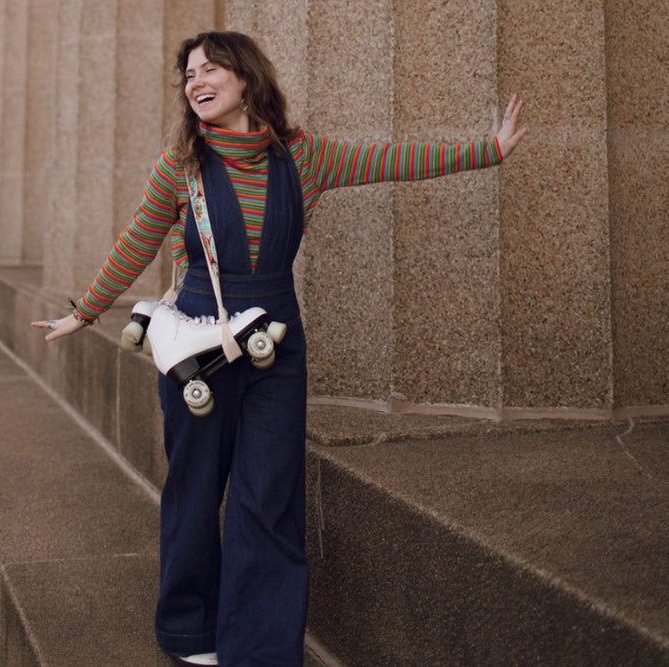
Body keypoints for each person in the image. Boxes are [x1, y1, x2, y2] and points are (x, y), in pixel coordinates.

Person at [33, 30, 527, 666]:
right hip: (196, 352)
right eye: (188, 76)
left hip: (274, 349)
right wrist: (83, 313)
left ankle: (260, 650)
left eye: (210, 69)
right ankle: (189, 630)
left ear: (245, 78)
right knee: (194, 488)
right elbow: (137, 239)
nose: (196, 82)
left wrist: (488, 151)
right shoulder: (181, 164)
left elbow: (391, 160)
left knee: (269, 497)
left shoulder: (304, 158)